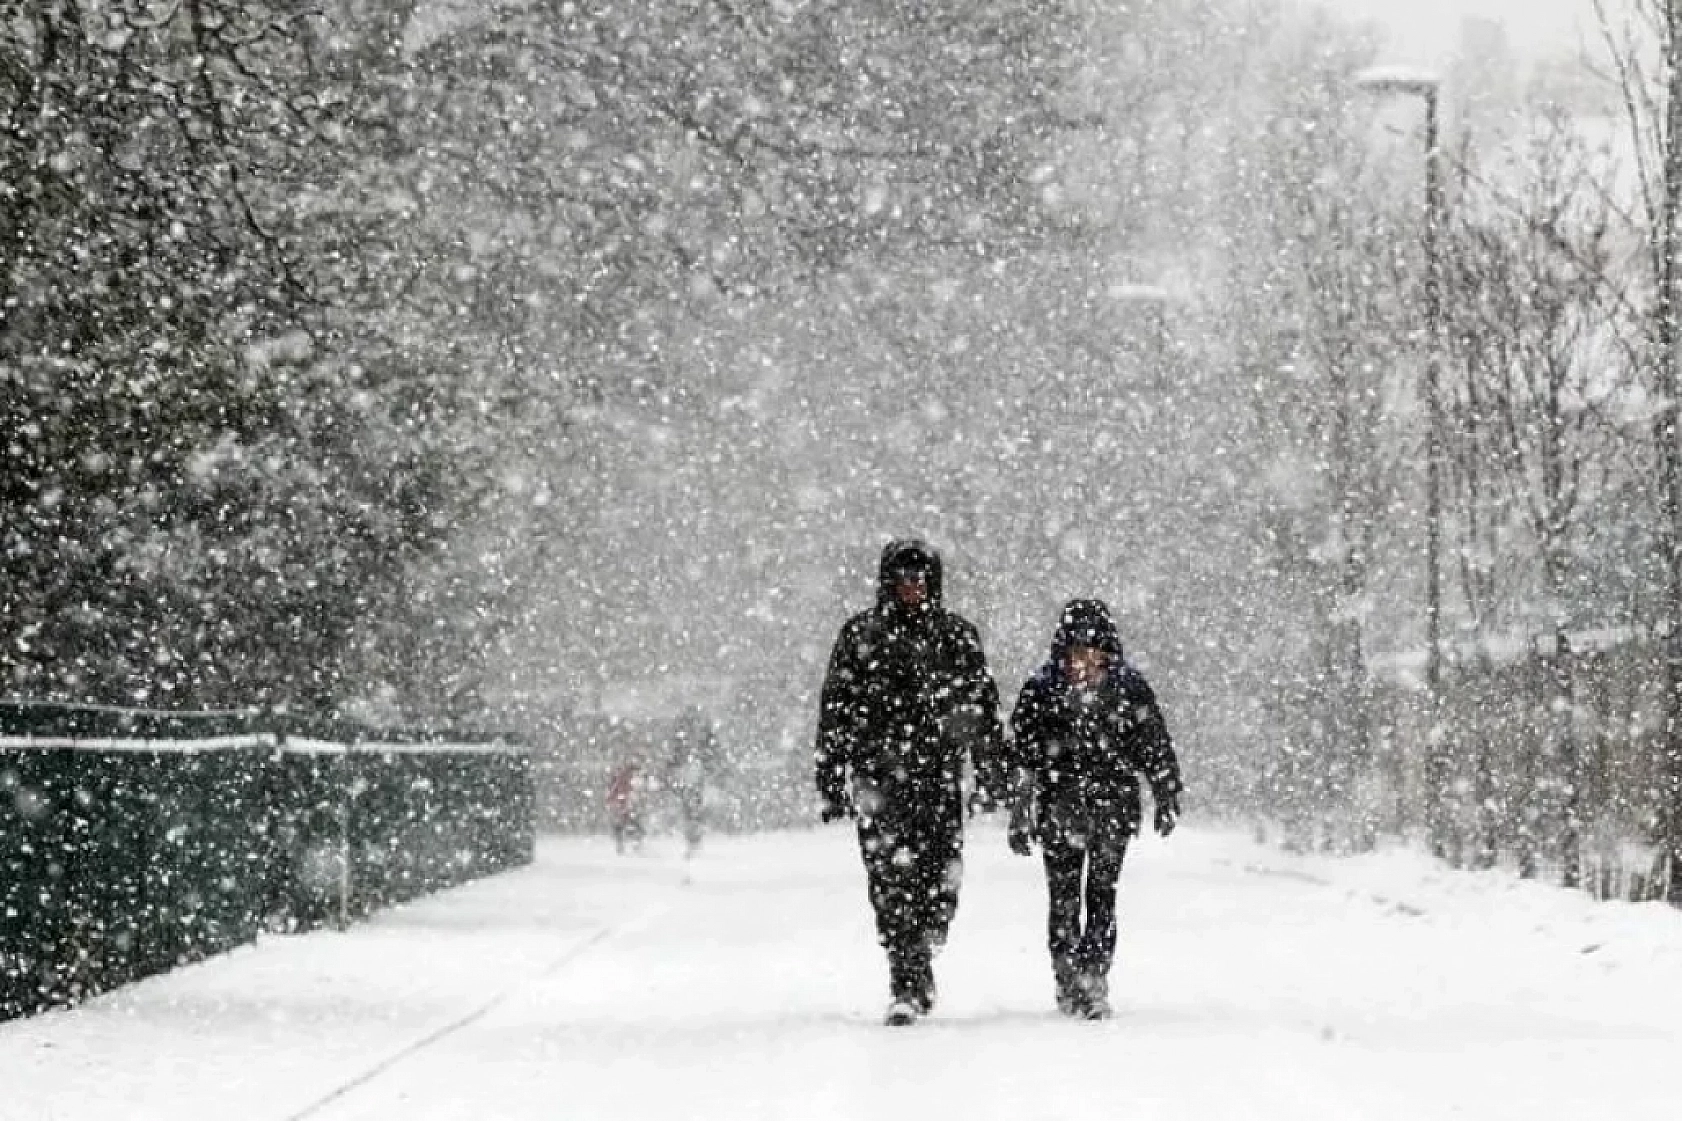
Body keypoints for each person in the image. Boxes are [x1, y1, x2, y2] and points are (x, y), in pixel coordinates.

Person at [816, 538, 1008, 1026]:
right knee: (888, 880)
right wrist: (831, 776)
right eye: (902, 578)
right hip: (877, 780)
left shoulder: (956, 637)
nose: (911, 587)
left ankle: (926, 938)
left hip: (938, 779)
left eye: (919, 578)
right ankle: (906, 974)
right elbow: (835, 707)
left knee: (939, 877)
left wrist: (991, 772)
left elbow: (983, 709)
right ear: (887, 581)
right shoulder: (861, 635)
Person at [1008, 599, 1182, 1020]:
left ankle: (1094, 977)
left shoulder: (1128, 689)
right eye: (1076, 651)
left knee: (1102, 896)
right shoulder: (1043, 689)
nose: (1083, 661)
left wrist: (1165, 790)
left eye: (1092, 651)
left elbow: (1153, 742)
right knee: (1064, 899)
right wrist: (1020, 807)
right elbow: (1022, 754)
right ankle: (1068, 976)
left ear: (1107, 651)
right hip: (1059, 809)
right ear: (1062, 652)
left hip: (1112, 811)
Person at [665, 706, 718, 857]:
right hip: (690, 779)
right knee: (691, 810)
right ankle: (693, 840)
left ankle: (694, 840)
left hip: (691, 779)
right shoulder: (697, 747)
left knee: (692, 810)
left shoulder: (693, 747)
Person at [606, 753, 646, 854]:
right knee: (627, 823)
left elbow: (615, 788)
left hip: (625, 803)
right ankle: (632, 843)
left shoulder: (625, 776)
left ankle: (629, 843)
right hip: (625, 803)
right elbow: (617, 788)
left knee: (626, 823)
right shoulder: (625, 776)